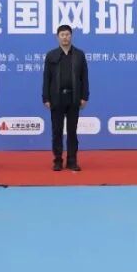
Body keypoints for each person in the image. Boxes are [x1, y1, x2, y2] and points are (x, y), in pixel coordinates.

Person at [42, 24, 89, 172]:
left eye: (67, 34)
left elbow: (84, 77)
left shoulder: (79, 55)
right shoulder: (51, 55)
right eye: (62, 35)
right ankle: (57, 160)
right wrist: (46, 98)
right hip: (56, 98)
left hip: (74, 98)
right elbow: (46, 78)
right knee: (57, 131)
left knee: (72, 132)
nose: (65, 37)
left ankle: (72, 160)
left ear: (71, 36)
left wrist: (84, 96)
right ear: (57, 37)